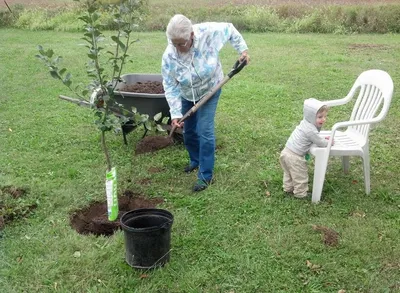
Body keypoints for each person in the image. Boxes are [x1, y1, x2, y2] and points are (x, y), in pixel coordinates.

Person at [161, 14, 250, 192]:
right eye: (174, 43)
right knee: (189, 132)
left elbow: (230, 29)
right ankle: (195, 160)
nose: (177, 48)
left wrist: (243, 51)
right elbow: (170, 85)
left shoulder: (208, 32)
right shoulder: (169, 56)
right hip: (187, 94)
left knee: (205, 130)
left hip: (211, 89)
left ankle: (205, 175)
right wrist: (176, 113)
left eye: (181, 43)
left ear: (191, 35)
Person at [279, 98, 332, 198]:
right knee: (300, 176)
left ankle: (288, 188)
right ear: (311, 116)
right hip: (295, 157)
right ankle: (300, 194)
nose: (323, 119)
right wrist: (328, 142)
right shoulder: (310, 130)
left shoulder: (305, 123)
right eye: (320, 117)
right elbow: (320, 142)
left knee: (289, 173)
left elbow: (315, 137)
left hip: (286, 152)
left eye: (325, 116)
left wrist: (322, 138)